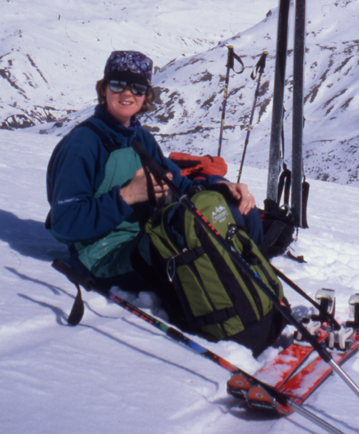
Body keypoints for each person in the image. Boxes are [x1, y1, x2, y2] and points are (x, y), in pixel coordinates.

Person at [47, 50, 263, 291]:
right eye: (118, 84)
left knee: (243, 214)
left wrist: (220, 185)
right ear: (104, 89)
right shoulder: (83, 145)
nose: (128, 93)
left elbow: (179, 183)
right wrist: (128, 195)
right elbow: (63, 223)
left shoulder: (140, 138)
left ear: (145, 94)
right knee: (196, 248)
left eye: (137, 87)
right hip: (101, 255)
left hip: (144, 236)